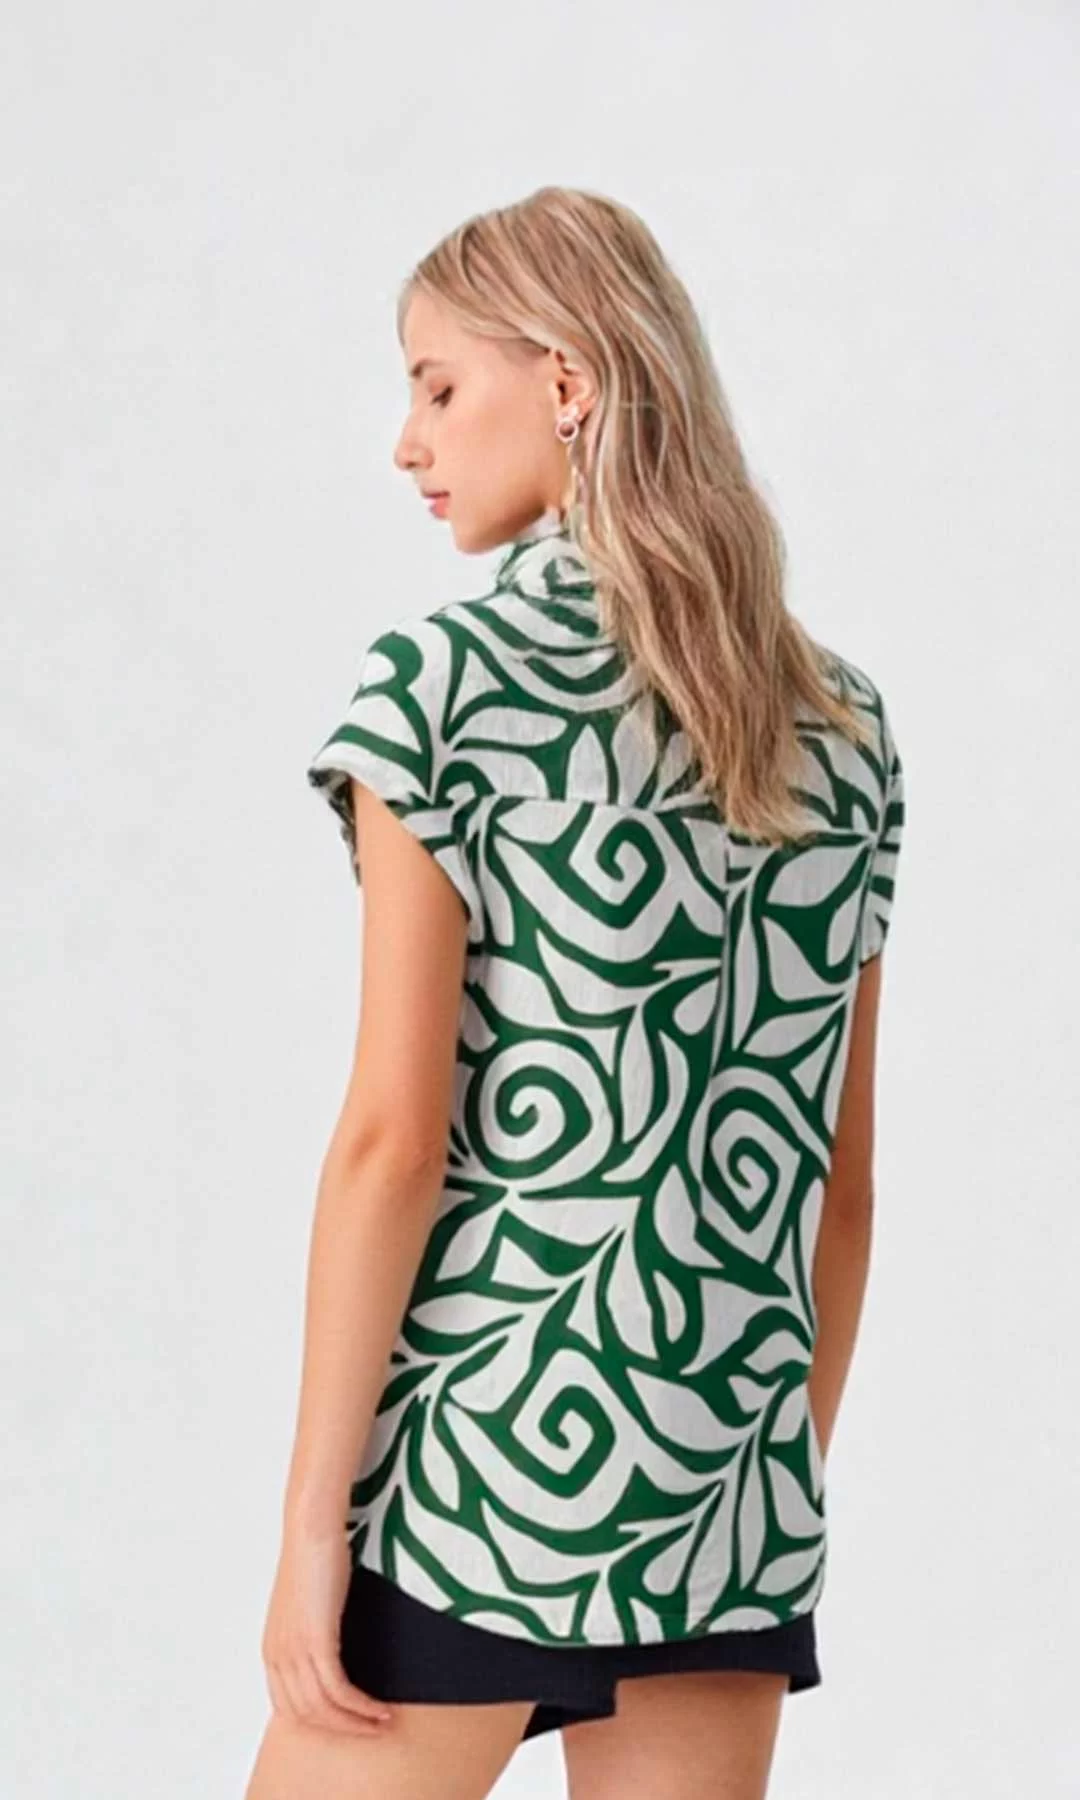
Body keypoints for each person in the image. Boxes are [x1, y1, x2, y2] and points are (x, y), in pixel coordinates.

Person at [243, 186, 905, 1800]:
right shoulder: (841, 725)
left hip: (483, 1476)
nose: (407, 442)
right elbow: (838, 1188)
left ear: (567, 380)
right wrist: (753, 1476)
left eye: (436, 384)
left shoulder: (442, 691)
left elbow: (394, 1144)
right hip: (725, 1484)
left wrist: (314, 1531)